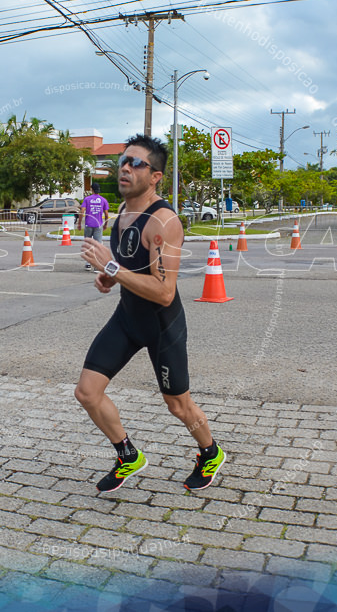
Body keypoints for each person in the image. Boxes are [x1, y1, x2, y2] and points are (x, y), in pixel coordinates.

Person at [77, 135, 225, 493]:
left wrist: (111, 268)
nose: (125, 168)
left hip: (162, 325)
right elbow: (131, 266)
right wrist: (109, 278)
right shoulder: (124, 211)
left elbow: (164, 291)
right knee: (87, 392)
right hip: (127, 318)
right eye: (123, 161)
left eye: (136, 163)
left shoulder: (163, 222)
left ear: (156, 176)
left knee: (178, 405)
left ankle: (210, 452)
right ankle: (128, 454)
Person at [80, 183, 110, 270]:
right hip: (98, 225)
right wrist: (106, 224)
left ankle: (88, 263)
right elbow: (107, 214)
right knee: (98, 245)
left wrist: (79, 223)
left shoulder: (87, 199)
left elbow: (82, 211)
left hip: (88, 224)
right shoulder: (103, 200)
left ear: (91, 189)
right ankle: (97, 266)